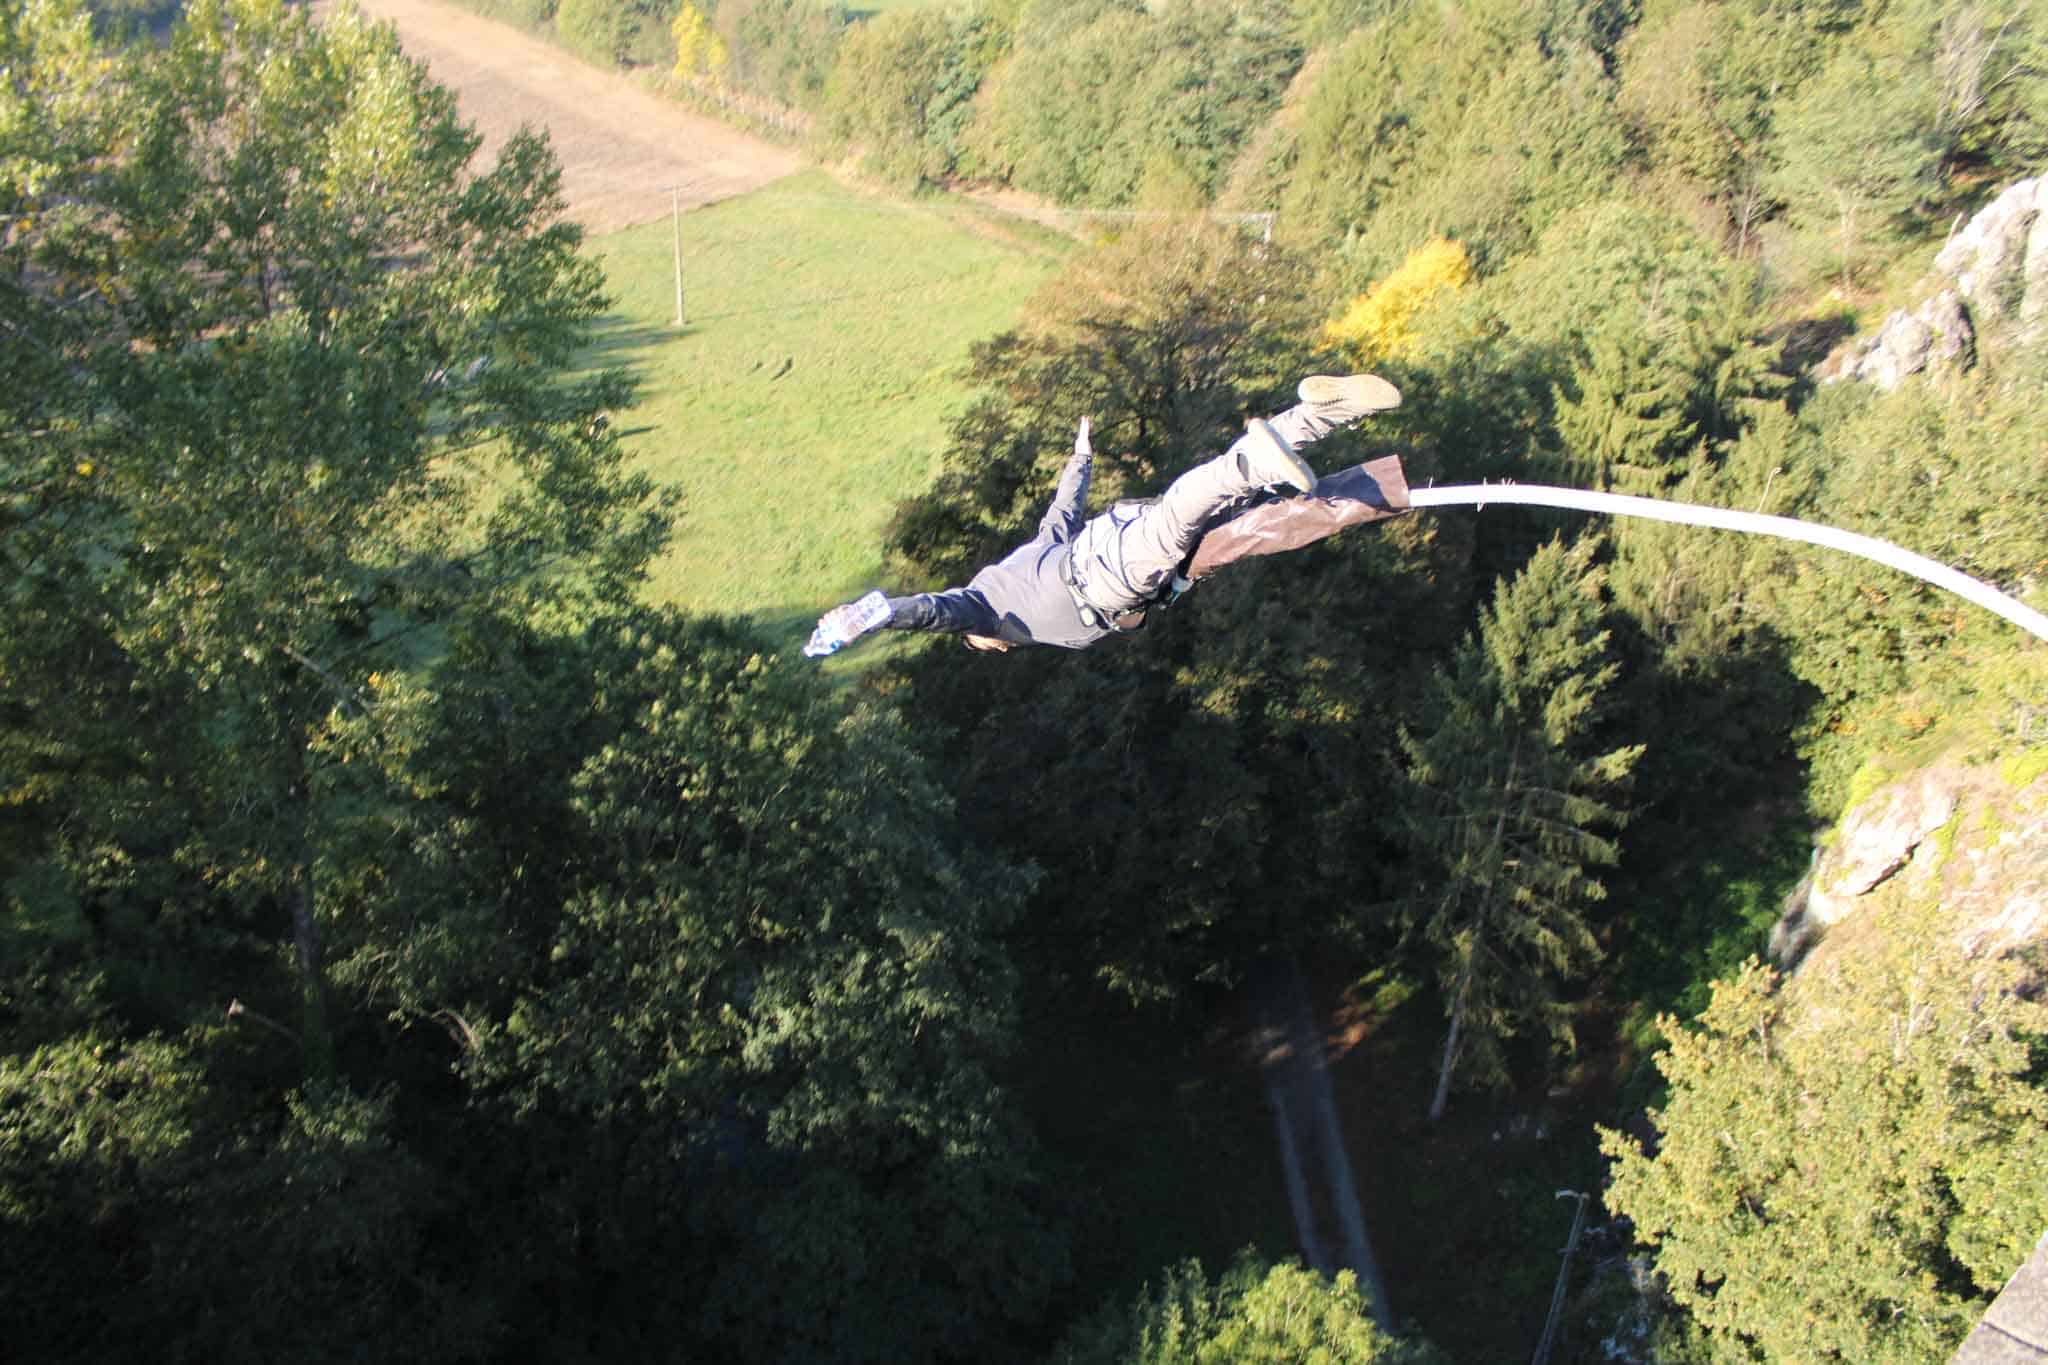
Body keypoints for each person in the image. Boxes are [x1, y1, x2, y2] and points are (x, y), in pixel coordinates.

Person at [806, 374, 1402, 656]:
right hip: (1102, 545)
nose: (998, 650)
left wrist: (881, 615)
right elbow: (1059, 516)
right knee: (1227, 515)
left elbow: (936, 612)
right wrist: (1082, 457)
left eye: (985, 645)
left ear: (981, 638)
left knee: (1193, 504)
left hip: (1106, 573)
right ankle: (1322, 415)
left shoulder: (985, 610)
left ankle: (1255, 462)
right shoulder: (1018, 570)